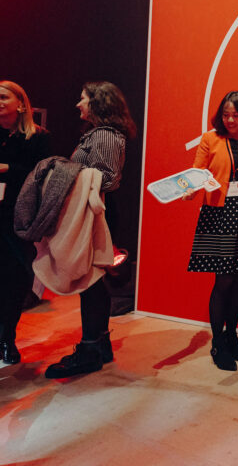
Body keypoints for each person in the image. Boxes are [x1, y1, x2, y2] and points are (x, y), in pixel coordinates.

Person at [45, 81, 136, 378]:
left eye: (82, 99)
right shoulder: (98, 134)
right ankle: (99, 345)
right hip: (96, 214)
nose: (78, 104)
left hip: (98, 216)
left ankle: (89, 351)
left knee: (90, 283)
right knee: (94, 283)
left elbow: (108, 179)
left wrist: (69, 174)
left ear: (98, 103)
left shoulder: (105, 135)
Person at [183, 91, 238, 371]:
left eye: (236, 115)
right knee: (223, 280)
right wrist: (189, 190)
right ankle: (218, 342)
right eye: (226, 115)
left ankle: (232, 337)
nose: (230, 120)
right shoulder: (211, 139)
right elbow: (197, 172)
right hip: (219, 212)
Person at [0, 81, 50, 364]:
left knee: (15, 279)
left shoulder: (38, 138)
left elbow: (42, 176)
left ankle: (7, 338)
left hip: (18, 220)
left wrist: (7, 168)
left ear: (20, 104)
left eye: (3, 97)